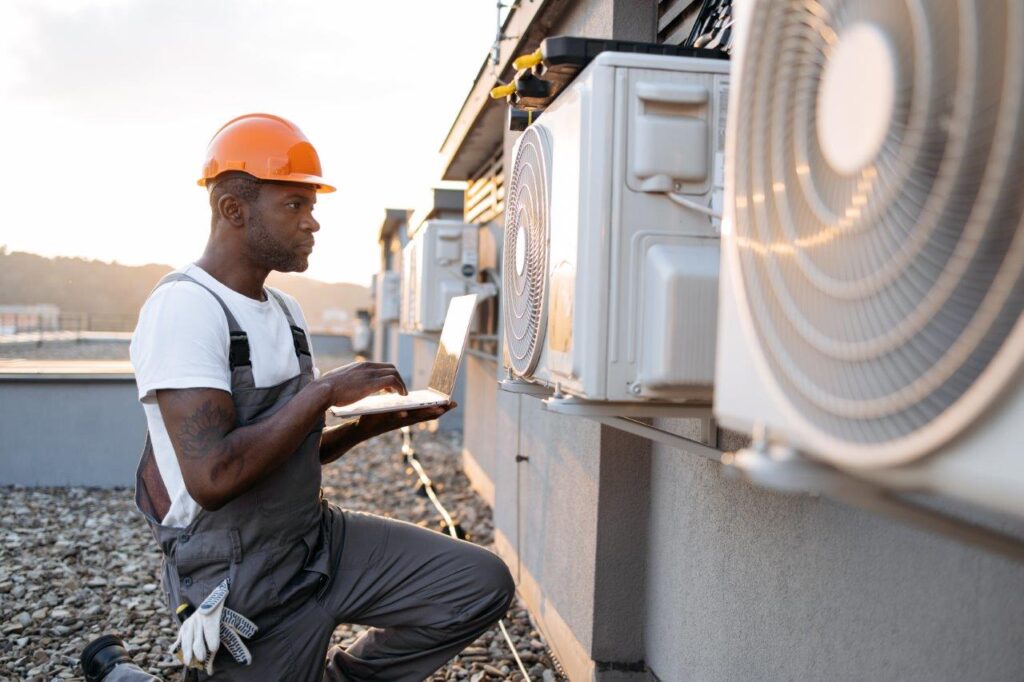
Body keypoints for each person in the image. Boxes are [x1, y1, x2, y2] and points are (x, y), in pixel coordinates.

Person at [86, 114, 514, 681]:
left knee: (477, 585)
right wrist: (323, 394)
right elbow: (214, 478)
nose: (312, 224)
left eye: (312, 207)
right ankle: (120, 674)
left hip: (316, 543)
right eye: (294, 206)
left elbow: (290, 449)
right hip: (242, 572)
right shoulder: (186, 310)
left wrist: (366, 426)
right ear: (233, 210)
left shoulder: (285, 312)